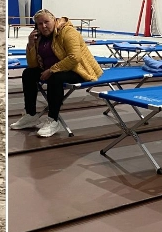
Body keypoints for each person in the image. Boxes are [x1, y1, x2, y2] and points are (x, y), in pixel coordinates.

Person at [11, 9, 103, 137]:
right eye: (39, 24)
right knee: (28, 73)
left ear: (54, 20)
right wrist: (31, 45)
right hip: (52, 69)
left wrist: (52, 69)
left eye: (46, 22)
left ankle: (53, 120)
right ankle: (31, 115)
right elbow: (33, 65)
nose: (43, 26)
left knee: (55, 78)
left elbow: (74, 57)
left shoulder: (68, 32)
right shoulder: (39, 37)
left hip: (78, 69)